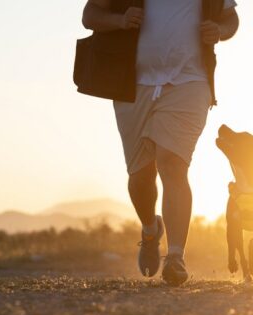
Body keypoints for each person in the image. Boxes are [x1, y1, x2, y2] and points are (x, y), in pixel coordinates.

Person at [81, 0, 239, 286]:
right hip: (132, 85)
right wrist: (121, 21)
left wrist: (219, 30)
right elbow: (90, 15)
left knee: (173, 164)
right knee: (140, 177)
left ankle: (176, 257)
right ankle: (150, 229)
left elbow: (231, 20)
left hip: (190, 82)